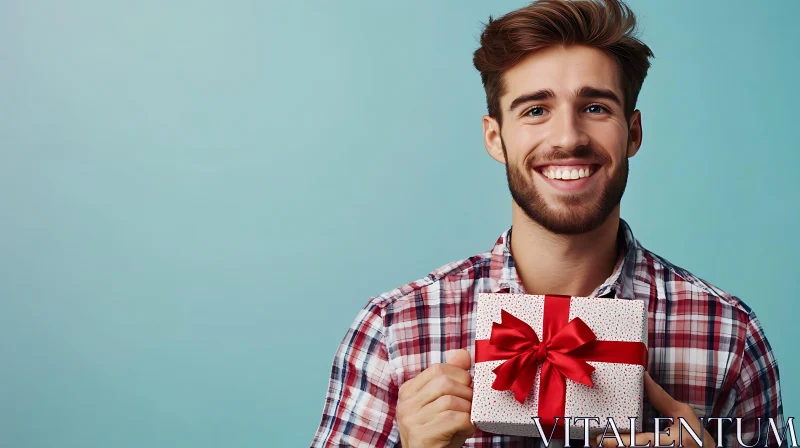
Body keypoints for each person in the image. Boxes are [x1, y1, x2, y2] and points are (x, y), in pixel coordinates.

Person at [310, 0, 786, 446]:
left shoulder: (730, 336)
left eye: (595, 107)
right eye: (536, 110)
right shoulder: (393, 330)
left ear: (633, 133)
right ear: (495, 138)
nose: (568, 137)